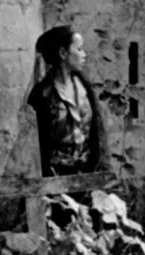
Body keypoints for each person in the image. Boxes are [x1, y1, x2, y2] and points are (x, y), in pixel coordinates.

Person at [26, 25, 109, 176]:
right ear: (63, 53)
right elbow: (35, 142)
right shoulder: (43, 94)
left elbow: (97, 132)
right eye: (79, 49)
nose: (84, 55)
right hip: (56, 175)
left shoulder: (84, 88)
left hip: (88, 171)